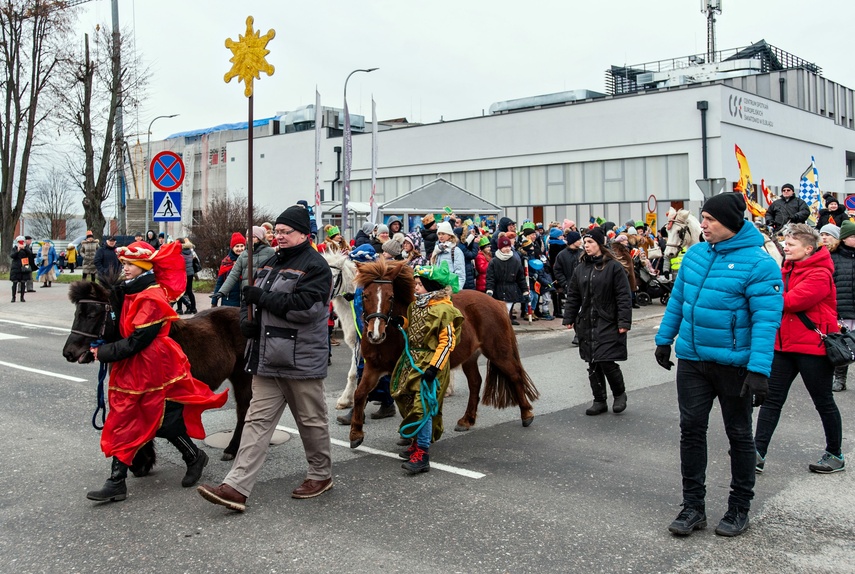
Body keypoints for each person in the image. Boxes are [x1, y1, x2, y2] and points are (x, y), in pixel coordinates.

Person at [655, 192, 783, 538]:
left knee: (740, 434)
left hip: (735, 366)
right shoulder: (695, 254)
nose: (704, 225)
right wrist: (664, 340)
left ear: (731, 222)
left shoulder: (760, 264)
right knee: (691, 430)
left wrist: (759, 370)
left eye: (710, 219)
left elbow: (766, 321)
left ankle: (739, 507)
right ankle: (693, 507)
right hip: (693, 361)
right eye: (704, 218)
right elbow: (678, 301)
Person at [197, 205, 333, 512]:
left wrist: (262, 299)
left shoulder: (316, 266)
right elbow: (259, 304)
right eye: (278, 232)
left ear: (304, 235)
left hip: (300, 359)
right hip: (267, 355)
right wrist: (250, 321)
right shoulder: (271, 262)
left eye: (287, 232)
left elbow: (305, 308)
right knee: (255, 422)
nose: (280, 237)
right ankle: (236, 487)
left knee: (311, 422)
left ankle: (320, 475)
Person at [86, 240, 229, 503]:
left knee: (157, 419)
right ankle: (117, 481)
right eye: (124, 264)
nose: (124, 268)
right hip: (131, 366)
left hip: (151, 364)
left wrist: (104, 353)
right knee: (124, 417)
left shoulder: (151, 297)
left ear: (142, 266)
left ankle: (193, 457)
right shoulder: (131, 291)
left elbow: (139, 340)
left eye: (129, 264)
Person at [754, 224, 845, 475]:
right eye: (785, 243)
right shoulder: (786, 269)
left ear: (808, 248)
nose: (785, 246)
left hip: (812, 349)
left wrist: (764, 296)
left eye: (791, 244)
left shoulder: (820, 273)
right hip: (783, 346)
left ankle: (835, 454)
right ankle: (757, 453)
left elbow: (792, 301)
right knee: (771, 401)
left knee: (823, 401)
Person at [390, 261, 464, 474]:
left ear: (431, 288)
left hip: (430, 364)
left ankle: (422, 453)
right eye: (416, 284)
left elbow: (447, 342)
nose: (416, 288)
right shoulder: (416, 306)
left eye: (419, 284)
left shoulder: (444, 310)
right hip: (411, 361)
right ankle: (415, 442)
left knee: (422, 407)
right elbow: (415, 328)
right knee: (405, 399)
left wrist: (434, 368)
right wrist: (402, 323)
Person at [563, 227, 631, 416]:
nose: (587, 246)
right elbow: (573, 295)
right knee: (592, 361)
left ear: (600, 244)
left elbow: (623, 296)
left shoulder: (613, 267)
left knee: (606, 360)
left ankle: (619, 394)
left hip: (608, 319)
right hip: (586, 321)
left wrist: (624, 321)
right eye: (585, 243)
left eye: (590, 242)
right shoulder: (581, 268)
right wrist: (569, 317)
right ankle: (599, 400)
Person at [213, 226, 275, 302]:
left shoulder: (269, 252)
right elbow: (233, 274)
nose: (249, 239)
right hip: (246, 295)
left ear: (259, 238)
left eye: (253, 237)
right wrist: (222, 291)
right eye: (248, 236)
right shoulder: (244, 255)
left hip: (262, 294)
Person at [830, 220, 855, 391]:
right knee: (843, 345)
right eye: (853, 236)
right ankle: (839, 378)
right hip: (842, 310)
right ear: (844, 238)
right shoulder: (833, 258)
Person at [485, 234, 529, 326]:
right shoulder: (494, 261)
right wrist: (490, 290)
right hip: (498, 291)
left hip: (510, 291)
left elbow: (520, 278)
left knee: (505, 315)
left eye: (508, 246)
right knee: (499, 316)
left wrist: (525, 291)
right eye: (504, 247)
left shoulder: (515, 261)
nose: (507, 249)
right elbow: (490, 278)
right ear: (500, 248)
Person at [554, 230, 583, 343]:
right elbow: (557, 271)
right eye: (578, 240)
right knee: (575, 310)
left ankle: (582, 333)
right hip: (570, 287)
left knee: (583, 310)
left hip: (584, 287)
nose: (580, 242)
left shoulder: (582, 253)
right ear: (572, 241)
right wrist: (565, 283)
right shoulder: (562, 255)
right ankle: (578, 334)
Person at [212, 232, 246, 308]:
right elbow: (219, 283)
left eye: (242, 246)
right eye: (237, 246)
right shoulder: (226, 262)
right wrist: (214, 301)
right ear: (232, 247)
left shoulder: (248, 261)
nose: (240, 249)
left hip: (243, 300)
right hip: (229, 301)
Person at [430, 220, 466, 292]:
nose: (440, 236)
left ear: (449, 235)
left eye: (443, 234)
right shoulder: (438, 250)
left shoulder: (456, 251)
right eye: (439, 234)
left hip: (450, 289)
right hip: (438, 288)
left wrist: (456, 291)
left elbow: (460, 275)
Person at [176, 238, 199, 315]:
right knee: (189, 291)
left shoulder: (179, 251)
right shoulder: (190, 251)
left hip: (182, 274)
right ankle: (193, 308)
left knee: (179, 291)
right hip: (190, 273)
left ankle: (179, 309)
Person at [9, 235, 33, 303]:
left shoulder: (26, 248)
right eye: (19, 242)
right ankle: (13, 297)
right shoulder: (15, 248)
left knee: (23, 282)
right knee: (14, 283)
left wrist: (24, 248)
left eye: (22, 242)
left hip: (24, 267)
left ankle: (22, 297)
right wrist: (17, 250)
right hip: (16, 267)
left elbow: (30, 254)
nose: (21, 243)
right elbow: (12, 256)